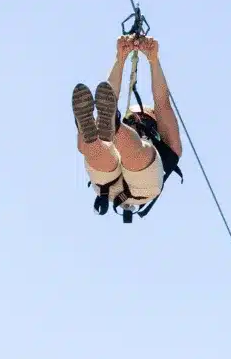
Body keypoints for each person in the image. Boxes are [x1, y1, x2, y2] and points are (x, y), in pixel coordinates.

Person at [70, 34, 183, 222]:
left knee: (132, 150)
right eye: (132, 119)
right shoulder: (164, 149)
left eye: (141, 119)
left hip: (131, 187)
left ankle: (108, 128)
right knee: (101, 144)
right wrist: (122, 59)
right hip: (114, 183)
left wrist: (151, 60)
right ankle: (101, 131)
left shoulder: (166, 147)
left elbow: (162, 103)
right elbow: (109, 95)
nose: (136, 121)